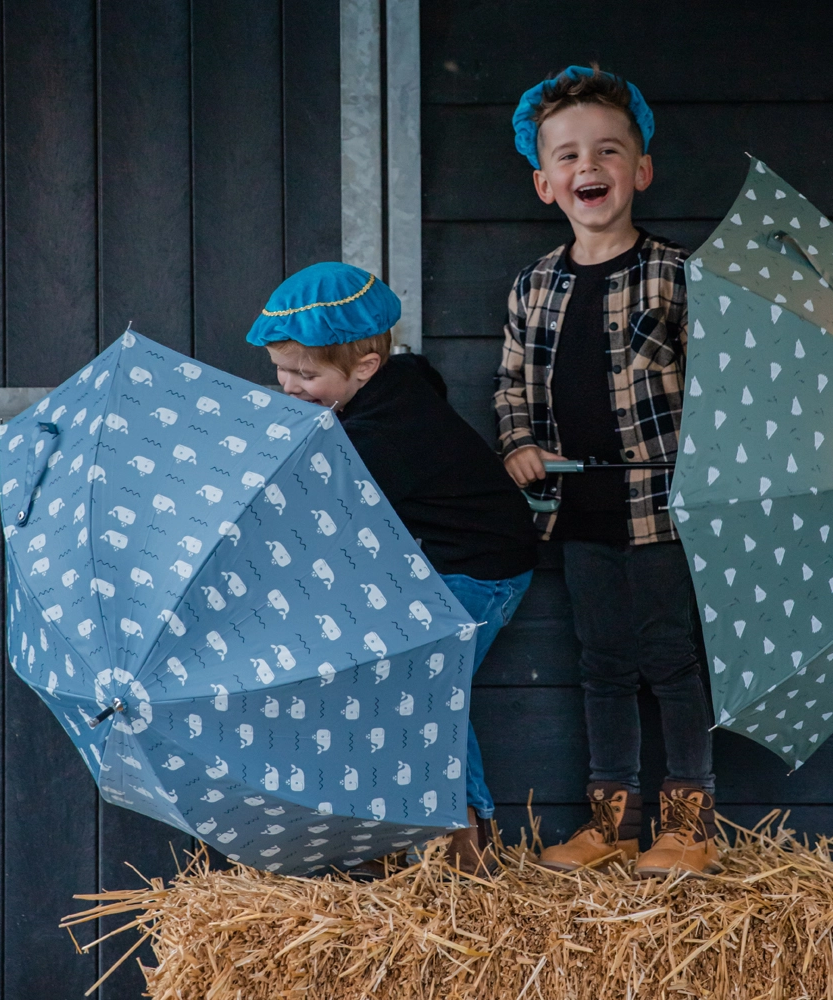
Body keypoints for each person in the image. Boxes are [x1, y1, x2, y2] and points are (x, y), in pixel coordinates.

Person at [494, 66, 719, 876]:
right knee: (601, 662)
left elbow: (715, 388)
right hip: (578, 507)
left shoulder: (677, 275)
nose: (589, 166)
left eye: (609, 151)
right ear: (546, 183)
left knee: (670, 658)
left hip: (658, 505)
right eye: (569, 156)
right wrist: (519, 443)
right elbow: (513, 386)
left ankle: (687, 822)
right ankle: (611, 819)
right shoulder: (533, 286)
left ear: (641, 170)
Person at [247, 262, 537, 874]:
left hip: (479, 571)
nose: (290, 386)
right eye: (281, 369)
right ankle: (394, 833)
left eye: (307, 374)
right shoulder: (370, 405)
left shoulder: (387, 433)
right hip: (426, 568)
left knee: (427, 686)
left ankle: (462, 836)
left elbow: (320, 518)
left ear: (366, 369)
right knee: (393, 681)